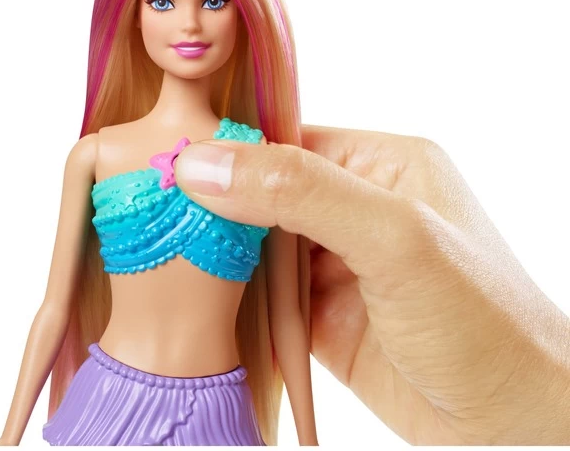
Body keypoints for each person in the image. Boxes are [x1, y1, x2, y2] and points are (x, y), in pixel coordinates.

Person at [0, 0, 317, 447]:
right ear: (132, 16)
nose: (190, 24)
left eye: (215, 1)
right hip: (107, 404)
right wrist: (9, 435)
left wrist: (309, 440)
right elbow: (55, 306)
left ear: (246, 12)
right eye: (162, 1)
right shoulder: (96, 154)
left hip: (219, 416)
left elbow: (287, 317)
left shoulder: (265, 163)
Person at [168, 124, 570, 445]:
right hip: (127, 392)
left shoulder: (249, 147)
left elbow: (288, 312)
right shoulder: (122, 144)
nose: (189, 32)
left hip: (220, 406)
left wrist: (308, 436)